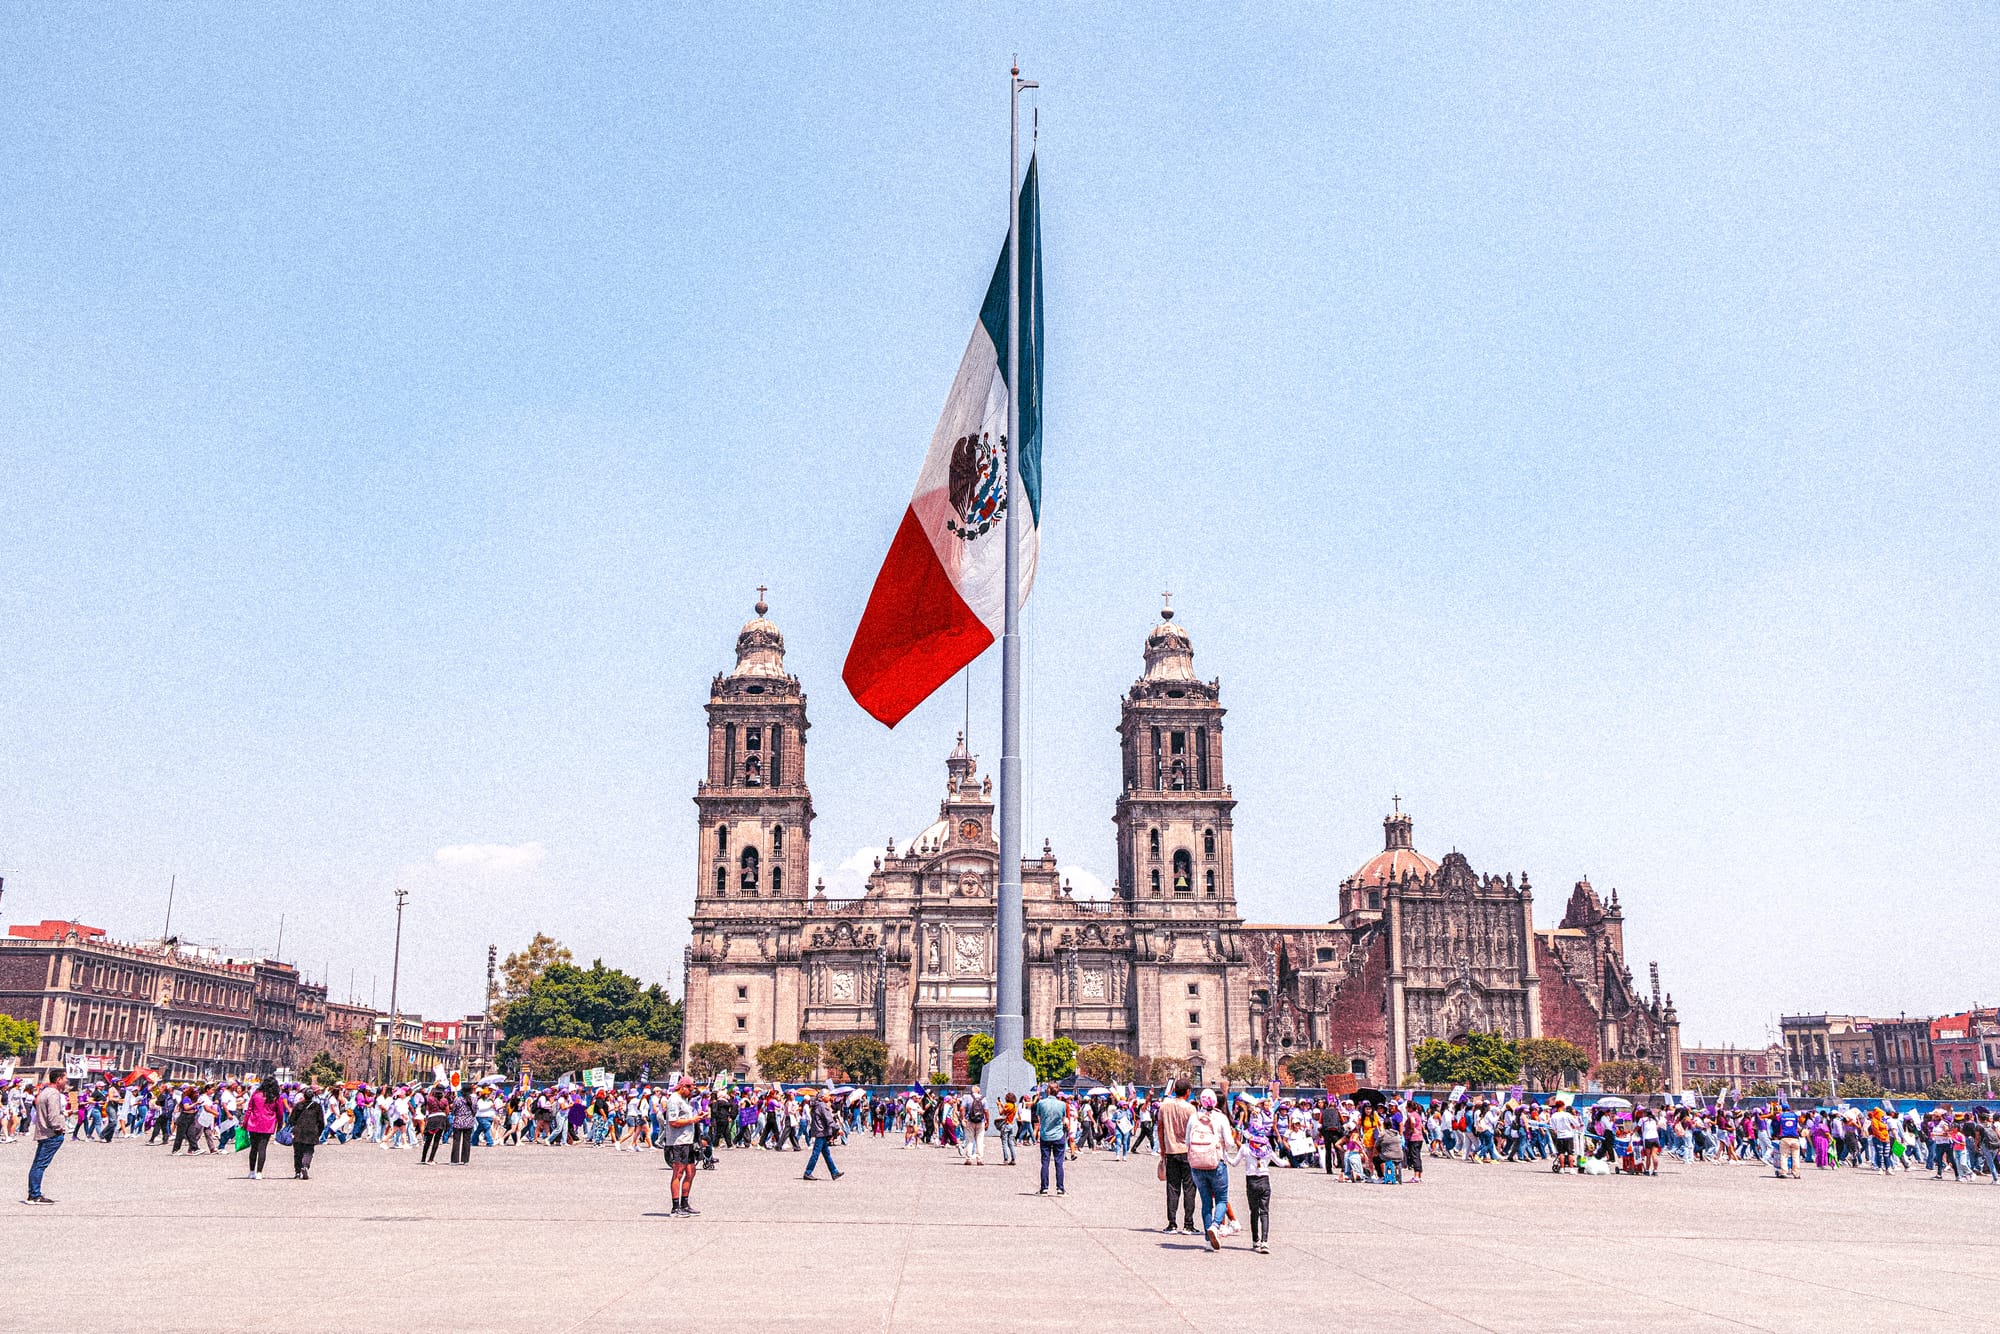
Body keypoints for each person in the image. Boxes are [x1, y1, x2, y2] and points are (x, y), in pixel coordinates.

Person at [1185, 1089, 1236, 1251]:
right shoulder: (1220, 1118)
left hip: (1197, 1165)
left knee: (1206, 1202)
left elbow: (1187, 1141)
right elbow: (1229, 1142)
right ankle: (1215, 1226)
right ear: (1215, 1102)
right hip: (1216, 1162)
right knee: (1221, 1199)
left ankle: (1208, 1241)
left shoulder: (1194, 1117)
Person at [25, 1072, 73, 1205]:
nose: (66, 1082)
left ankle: (33, 1193)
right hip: (51, 1134)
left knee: (38, 1164)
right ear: (58, 1080)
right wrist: (59, 1127)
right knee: (40, 1165)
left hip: (43, 1132)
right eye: (65, 1079)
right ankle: (34, 1195)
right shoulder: (53, 1094)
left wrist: (62, 1114)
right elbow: (52, 1114)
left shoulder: (44, 1092)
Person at [1157, 1077, 1196, 1233]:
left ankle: (1172, 1224)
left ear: (1173, 1090)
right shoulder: (1191, 1109)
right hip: (1187, 1152)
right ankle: (1188, 1224)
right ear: (1188, 1092)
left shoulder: (1164, 1107)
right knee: (1189, 1188)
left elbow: (1160, 1129)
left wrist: (1162, 1149)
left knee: (1172, 1188)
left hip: (1171, 1151)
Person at [662, 1076, 701, 1216]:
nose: (692, 1091)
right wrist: (692, 1120)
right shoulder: (674, 1100)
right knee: (678, 1173)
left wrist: (698, 1117)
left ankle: (685, 1203)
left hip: (688, 1140)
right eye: (691, 1088)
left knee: (691, 1172)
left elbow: (686, 1118)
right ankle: (675, 1207)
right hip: (677, 1142)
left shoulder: (684, 1100)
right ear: (683, 1087)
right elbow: (673, 1122)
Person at [243, 1076, 282, 1180]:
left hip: (254, 1122)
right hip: (268, 1124)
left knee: (253, 1148)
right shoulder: (276, 1097)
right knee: (262, 1148)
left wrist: (244, 1123)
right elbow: (280, 1113)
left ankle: (251, 1171)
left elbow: (249, 1109)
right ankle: (259, 1172)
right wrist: (280, 1125)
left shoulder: (256, 1094)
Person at [1034, 1084, 1068, 1196]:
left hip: (1045, 1135)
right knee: (1059, 1163)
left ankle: (1044, 1188)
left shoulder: (1041, 1103)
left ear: (1048, 1091)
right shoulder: (1062, 1104)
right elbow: (1064, 1118)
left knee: (1045, 1162)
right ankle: (1060, 1188)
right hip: (1058, 1135)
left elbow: (1039, 1117)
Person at [802, 1088, 843, 1181]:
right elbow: (829, 1120)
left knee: (826, 1153)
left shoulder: (817, 1105)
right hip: (821, 1132)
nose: (829, 1097)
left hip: (821, 1132)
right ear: (823, 1096)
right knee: (816, 1153)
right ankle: (808, 1172)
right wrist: (837, 1128)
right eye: (828, 1095)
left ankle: (834, 1172)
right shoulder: (822, 1106)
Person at [288, 1088, 325, 1180]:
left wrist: (294, 1126)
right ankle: (305, 1165)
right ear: (313, 1096)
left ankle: (297, 1172)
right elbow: (321, 1121)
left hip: (299, 1131)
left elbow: (291, 1120)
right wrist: (319, 1133)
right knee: (309, 1151)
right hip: (312, 1131)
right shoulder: (317, 1107)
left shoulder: (298, 1106)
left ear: (304, 1095)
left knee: (298, 1152)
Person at [449, 1085, 476, 1164]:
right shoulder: (474, 1100)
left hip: (458, 1122)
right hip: (469, 1122)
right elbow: (475, 1111)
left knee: (456, 1141)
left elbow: (453, 1110)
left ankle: (454, 1160)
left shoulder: (458, 1100)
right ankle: (465, 1160)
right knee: (467, 1141)